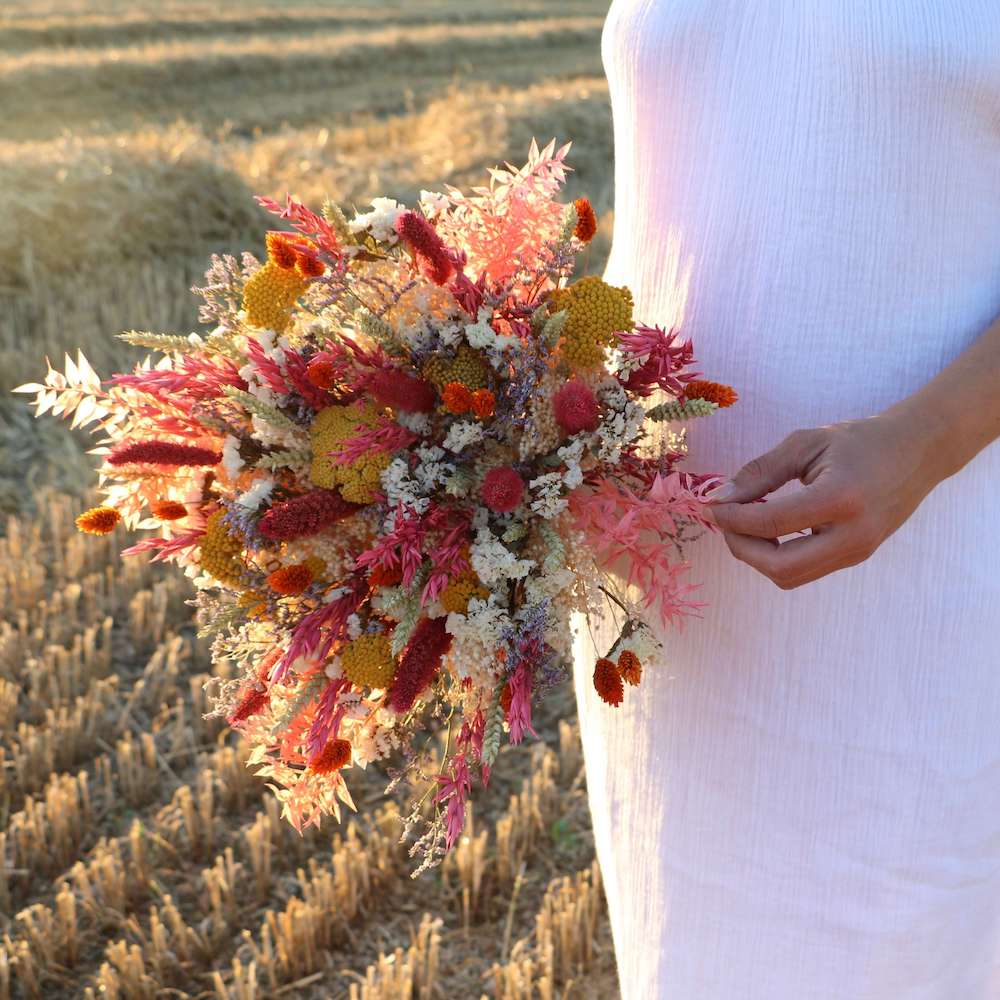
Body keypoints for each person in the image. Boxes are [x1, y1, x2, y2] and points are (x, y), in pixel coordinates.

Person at [574, 3, 1000, 998]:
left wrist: (925, 439)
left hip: (925, 588)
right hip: (670, 601)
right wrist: (529, 413)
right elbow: (670, 205)